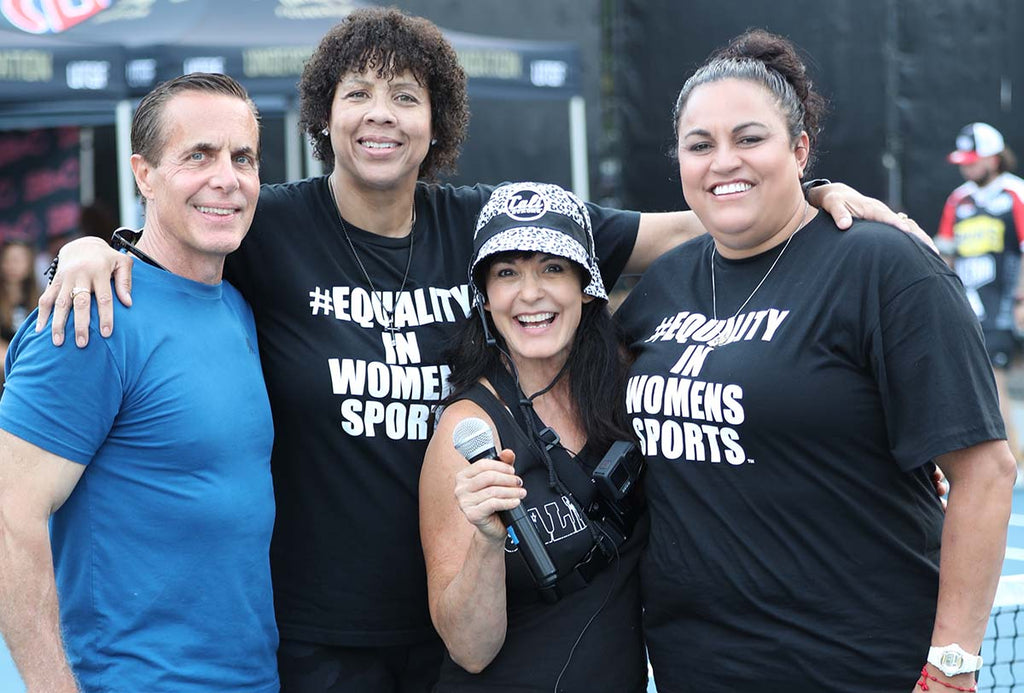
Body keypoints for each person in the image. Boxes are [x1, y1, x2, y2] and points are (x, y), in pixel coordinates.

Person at [34, 9, 918, 692]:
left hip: (465, 627)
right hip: (316, 630)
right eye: (359, 95)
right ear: (325, 114)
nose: (382, 116)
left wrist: (808, 197)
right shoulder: (273, 222)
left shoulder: (490, 227)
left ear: (437, 121)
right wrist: (92, 249)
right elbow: (183, 225)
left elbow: (676, 226)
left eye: (406, 97)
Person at [614, 30, 1016, 692]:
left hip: (857, 664)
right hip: (696, 664)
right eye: (700, 145)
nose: (723, 161)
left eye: (750, 138)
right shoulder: (665, 283)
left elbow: (986, 473)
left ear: (799, 149)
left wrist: (952, 663)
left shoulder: (884, 266)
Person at [0, 73, 278, 692]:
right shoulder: (89, 315)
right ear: (144, 175)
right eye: (197, 155)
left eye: (243, 158)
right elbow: (8, 516)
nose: (226, 178)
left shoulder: (237, 306)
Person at [420, 182, 647, 690]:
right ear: (484, 297)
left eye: (552, 267)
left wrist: (811, 199)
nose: (530, 293)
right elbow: (470, 650)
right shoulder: (468, 431)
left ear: (586, 286)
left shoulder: (628, 387)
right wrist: (486, 541)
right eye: (507, 273)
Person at [936, 122, 1024, 460]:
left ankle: (1010, 457)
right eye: (963, 160)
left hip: (1004, 303)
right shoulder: (958, 200)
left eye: (973, 160)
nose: (966, 167)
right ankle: (1001, 455)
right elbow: (944, 254)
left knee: (996, 377)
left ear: (994, 159)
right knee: (976, 377)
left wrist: (1019, 299)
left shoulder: (1014, 194)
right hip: (969, 305)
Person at [0, 238, 40, 365]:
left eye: (18, 260)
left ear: (29, 264)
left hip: (29, 359)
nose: (12, 265)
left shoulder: (39, 298)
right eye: (8, 259)